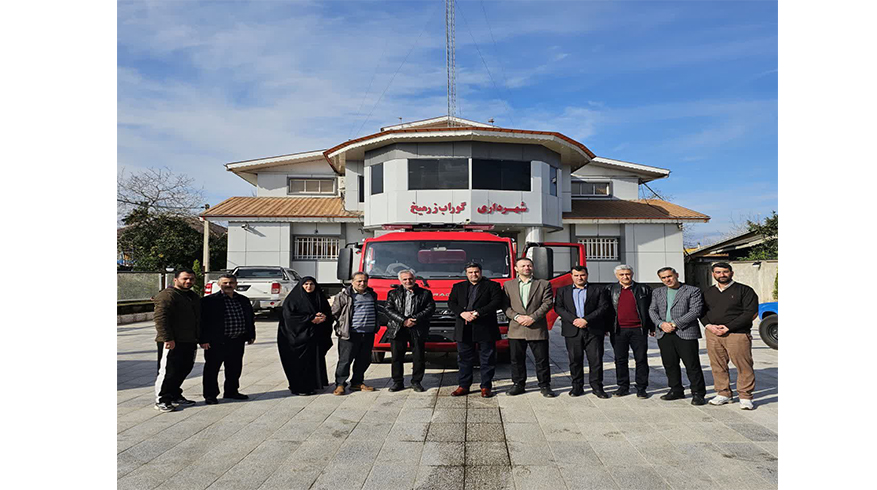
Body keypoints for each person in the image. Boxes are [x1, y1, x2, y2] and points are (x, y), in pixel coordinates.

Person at [700, 262, 759, 410]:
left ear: (731, 273)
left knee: (743, 365)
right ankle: (723, 393)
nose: (722, 275)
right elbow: (701, 312)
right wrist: (709, 326)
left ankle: (745, 396)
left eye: (725, 272)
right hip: (713, 333)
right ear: (713, 274)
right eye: (718, 272)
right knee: (717, 365)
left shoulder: (745, 290)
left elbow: (750, 313)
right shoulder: (708, 292)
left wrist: (728, 327)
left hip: (737, 334)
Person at [647, 267, 707, 405]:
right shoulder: (657, 292)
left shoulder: (692, 290)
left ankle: (698, 393)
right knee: (670, 364)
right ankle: (676, 390)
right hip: (664, 333)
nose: (667, 279)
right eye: (663, 278)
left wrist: (674, 324)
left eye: (669, 276)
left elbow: (695, 311)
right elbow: (652, 310)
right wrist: (661, 324)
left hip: (685, 332)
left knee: (692, 365)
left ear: (677, 275)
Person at [554, 266, 611, 398]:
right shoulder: (563, 291)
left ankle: (597, 387)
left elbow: (603, 307)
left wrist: (586, 320)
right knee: (575, 360)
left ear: (587, 275)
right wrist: (574, 320)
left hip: (593, 330)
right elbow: (558, 307)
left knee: (596, 360)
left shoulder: (598, 289)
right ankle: (577, 387)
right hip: (572, 330)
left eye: (582, 275)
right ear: (571, 276)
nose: (579, 278)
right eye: (576, 275)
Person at [447, 262, 503, 398]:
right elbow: (451, 303)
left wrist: (477, 312)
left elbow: (496, 302)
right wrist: (462, 313)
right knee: (464, 359)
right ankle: (463, 386)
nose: (474, 274)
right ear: (466, 273)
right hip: (464, 327)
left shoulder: (492, 286)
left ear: (481, 272)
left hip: (485, 327)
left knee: (487, 359)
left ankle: (486, 386)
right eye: (470, 272)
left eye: (476, 272)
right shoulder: (458, 286)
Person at [503, 257, 556, 397]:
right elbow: (505, 305)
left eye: (529, 265)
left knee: (542, 359)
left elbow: (547, 303)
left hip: (536, 327)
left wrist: (532, 317)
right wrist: (516, 317)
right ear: (516, 268)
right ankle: (518, 384)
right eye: (523, 266)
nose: (526, 268)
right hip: (516, 328)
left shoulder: (543, 284)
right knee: (516, 360)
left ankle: (545, 385)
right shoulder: (508, 285)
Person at [199, 274, 256, 404]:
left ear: (236, 284)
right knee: (212, 369)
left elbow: (249, 318)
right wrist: (203, 339)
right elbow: (202, 322)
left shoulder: (243, 300)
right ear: (219, 284)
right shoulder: (209, 301)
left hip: (237, 340)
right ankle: (210, 395)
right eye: (225, 283)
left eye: (231, 283)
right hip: (216, 341)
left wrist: (251, 335)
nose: (228, 285)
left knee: (234, 368)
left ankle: (231, 391)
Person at [153, 268, 201, 412]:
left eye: (191, 279)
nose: (188, 281)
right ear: (175, 280)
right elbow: (161, 318)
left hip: (189, 340)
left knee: (184, 369)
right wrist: (167, 338)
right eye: (185, 278)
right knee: (169, 371)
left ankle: (174, 394)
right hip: (172, 341)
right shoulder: (167, 295)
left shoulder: (192, 296)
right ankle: (162, 399)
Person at [277, 276, 334, 396]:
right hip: (297, 338)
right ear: (301, 285)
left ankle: (314, 384)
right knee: (299, 364)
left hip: (314, 338)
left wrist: (324, 317)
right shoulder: (293, 299)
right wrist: (310, 319)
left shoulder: (319, 297)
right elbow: (289, 317)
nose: (309, 287)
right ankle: (300, 387)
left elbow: (328, 313)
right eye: (306, 284)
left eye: (311, 284)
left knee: (313, 362)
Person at [384, 270, 436, 392]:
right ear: (400, 281)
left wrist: (415, 319)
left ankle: (416, 382)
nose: (408, 281)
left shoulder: (425, 293)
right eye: (405, 279)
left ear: (415, 279)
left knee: (418, 357)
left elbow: (430, 308)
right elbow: (388, 309)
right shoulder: (393, 293)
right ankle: (397, 382)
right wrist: (403, 320)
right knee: (396, 357)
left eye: (410, 279)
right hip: (398, 328)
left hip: (417, 328)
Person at [607, 264, 655, 398]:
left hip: (638, 330)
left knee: (641, 359)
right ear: (616, 276)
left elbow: (651, 309)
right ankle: (623, 386)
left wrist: (652, 327)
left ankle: (641, 387)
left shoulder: (644, 289)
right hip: (618, 330)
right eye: (621, 274)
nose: (625, 277)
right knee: (620, 359)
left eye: (627, 274)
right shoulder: (610, 289)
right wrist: (605, 328)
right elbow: (607, 310)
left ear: (632, 274)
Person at [331, 272, 380, 395]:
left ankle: (357, 382)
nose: (362, 283)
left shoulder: (372, 294)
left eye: (365, 281)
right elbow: (334, 313)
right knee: (345, 360)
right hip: (350, 334)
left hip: (368, 333)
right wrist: (340, 327)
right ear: (352, 282)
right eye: (359, 281)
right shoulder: (344, 296)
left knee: (364, 359)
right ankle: (340, 384)